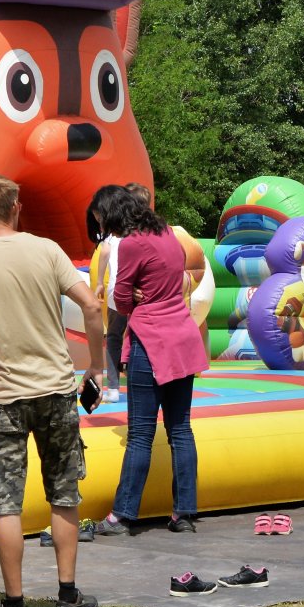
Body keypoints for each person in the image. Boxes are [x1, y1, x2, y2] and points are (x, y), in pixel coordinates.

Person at [0, 175, 105, 607]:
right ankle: (68, 595)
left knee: (5, 502)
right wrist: (96, 365)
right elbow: (91, 306)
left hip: (2, 395)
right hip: (55, 389)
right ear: (15, 207)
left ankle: (14, 603)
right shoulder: (47, 250)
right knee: (64, 493)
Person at [105, 189, 210, 535]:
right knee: (180, 428)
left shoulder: (131, 244)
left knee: (140, 434)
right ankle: (184, 513)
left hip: (151, 340)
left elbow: (121, 300)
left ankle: (122, 515)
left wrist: (135, 295)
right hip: (182, 336)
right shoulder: (168, 234)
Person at [87, 185, 134, 409]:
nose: (100, 224)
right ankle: (128, 385)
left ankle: (114, 388)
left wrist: (99, 283)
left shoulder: (113, 238)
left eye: (100, 219)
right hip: (128, 294)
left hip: (118, 294)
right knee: (131, 338)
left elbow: (104, 253)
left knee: (115, 338)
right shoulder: (128, 235)